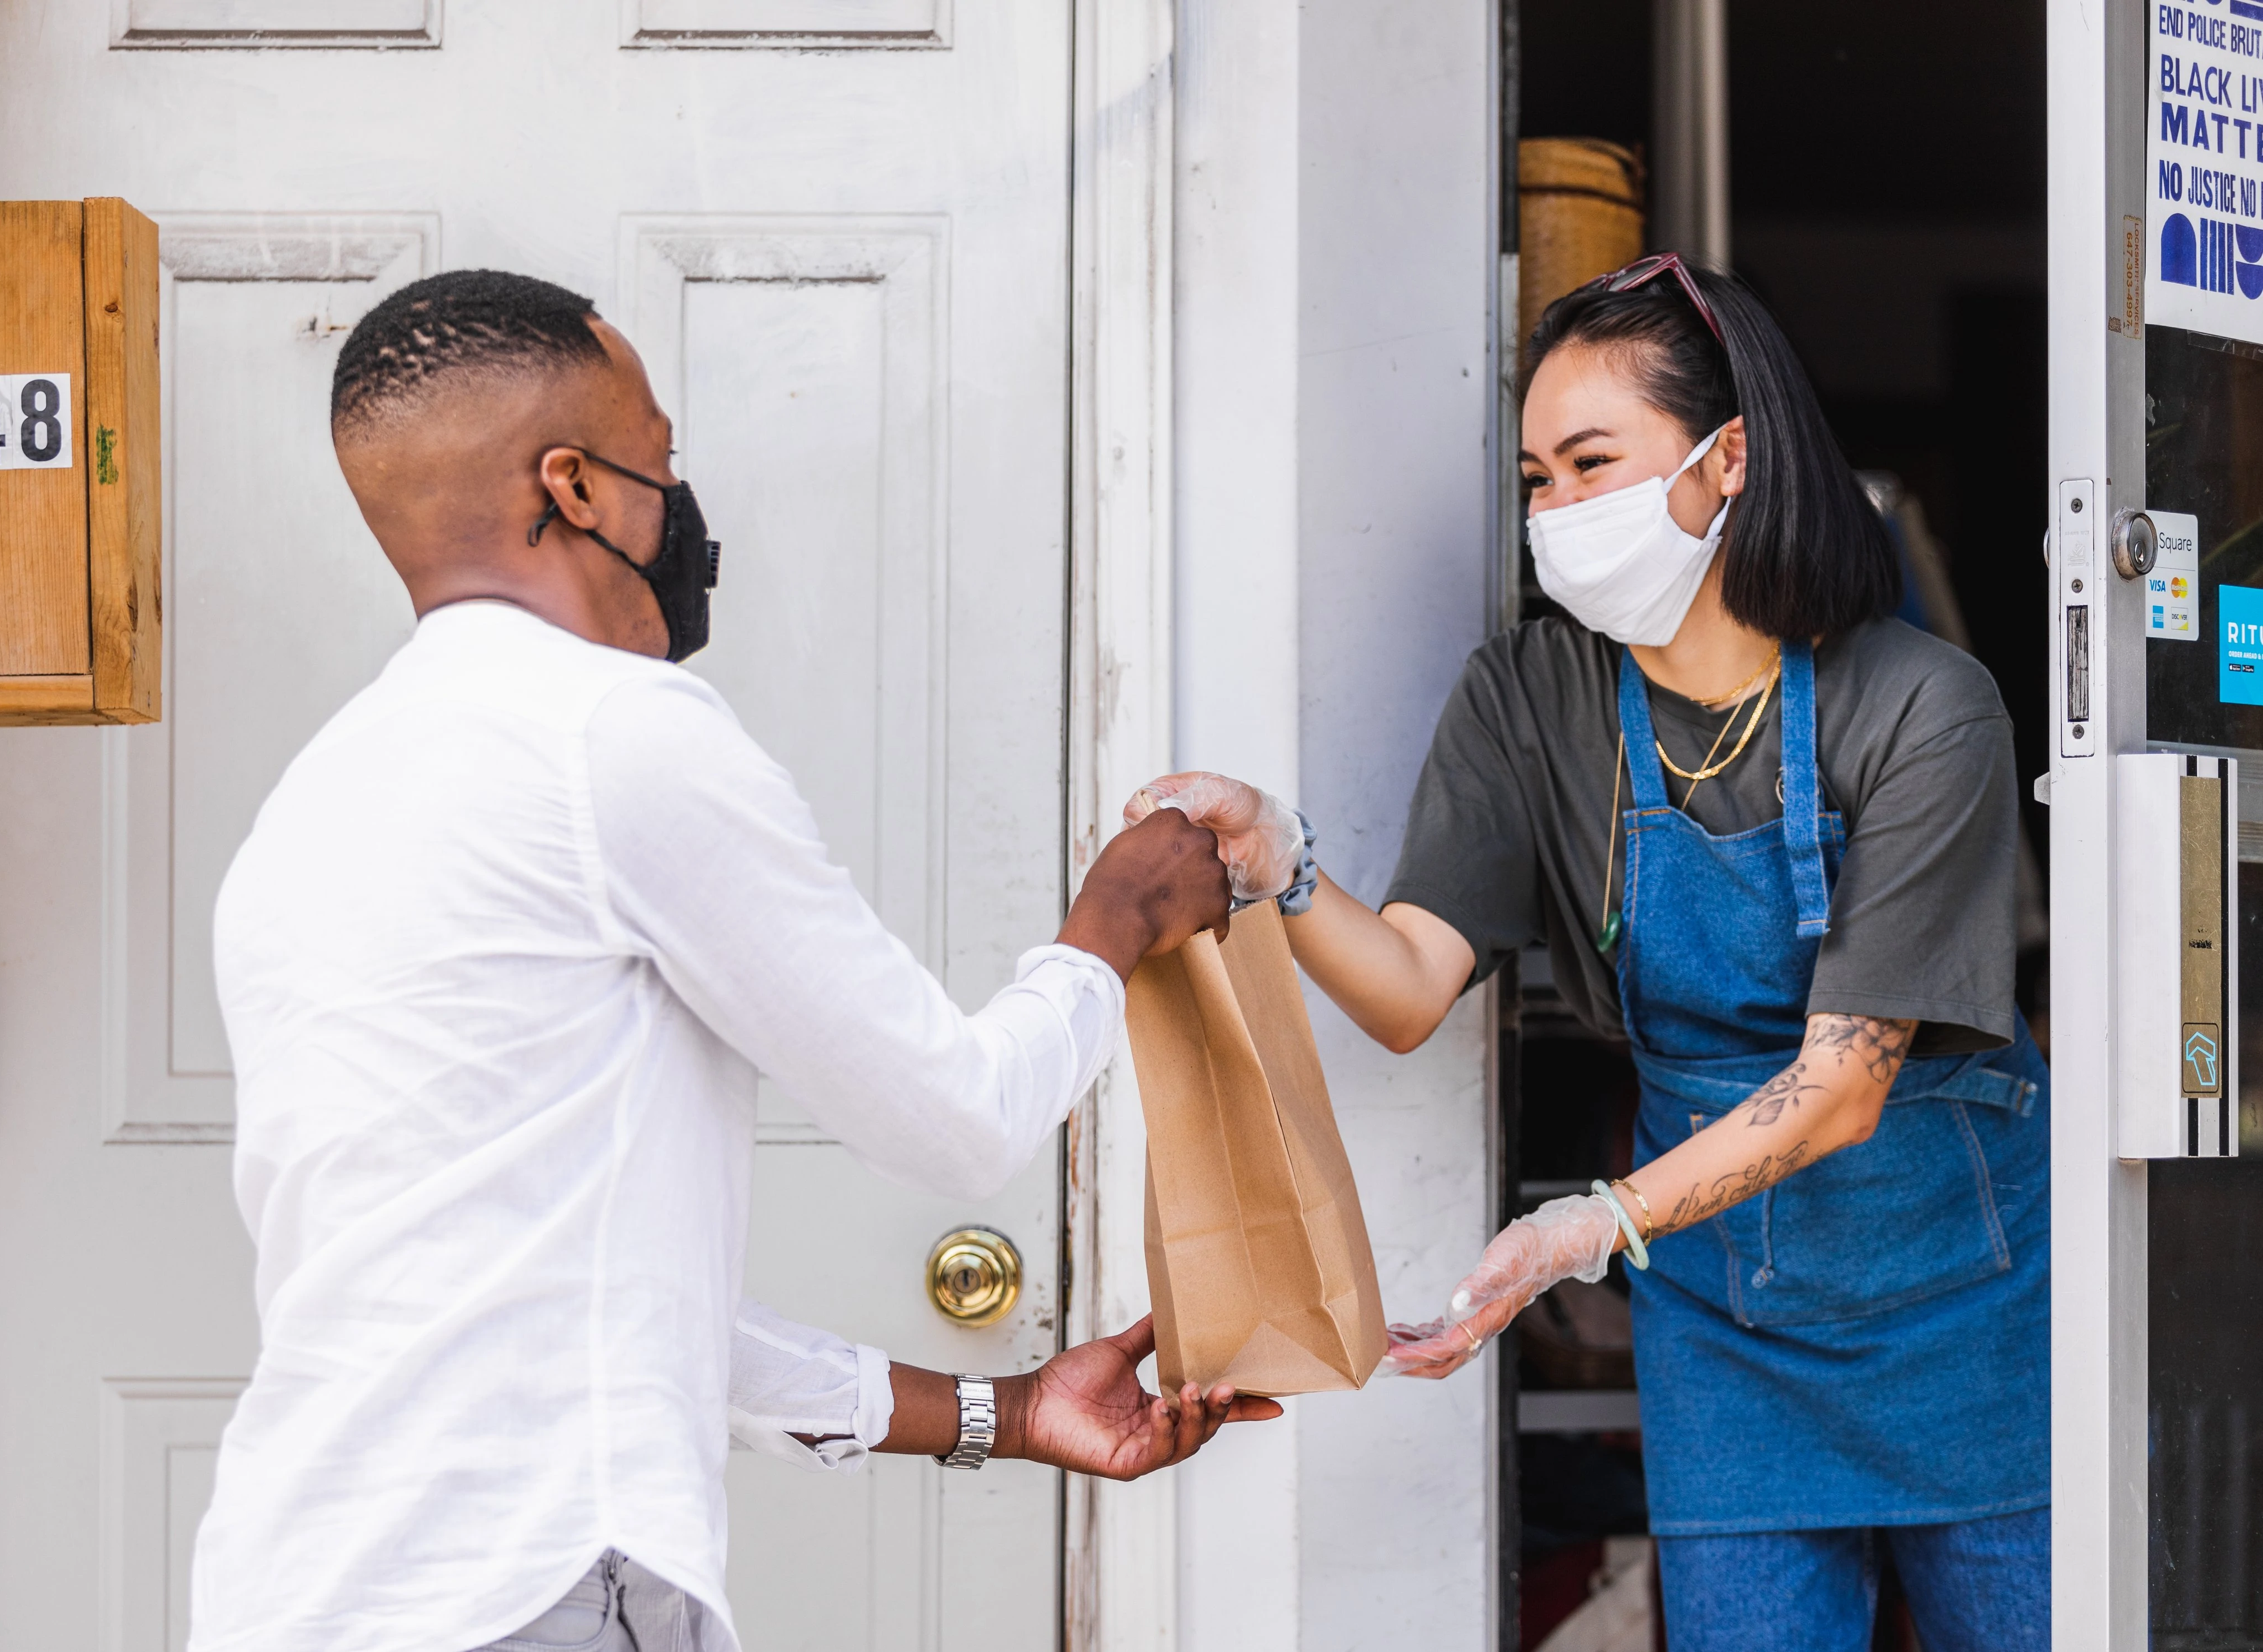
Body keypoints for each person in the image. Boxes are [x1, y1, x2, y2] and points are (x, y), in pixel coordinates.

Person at [184, 269, 1277, 1652]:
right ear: (575, 488)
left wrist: (1004, 1414)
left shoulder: (313, 810)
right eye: (666, 461)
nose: (682, 505)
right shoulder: (614, 734)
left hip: (297, 1591)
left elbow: (599, 1298)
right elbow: (959, 1119)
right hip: (522, 1588)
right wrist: (1111, 925)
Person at [1130, 256, 2048, 1651]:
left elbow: (1848, 1082)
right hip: (1724, 1319)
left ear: (1725, 458)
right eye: (1537, 478)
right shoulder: (1529, 697)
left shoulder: (1923, 705)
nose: (1556, 513)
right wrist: (1284, 863)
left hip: (1960, 1302)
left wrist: (1594, 1223)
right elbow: (1407, 988)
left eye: (1591, 464)